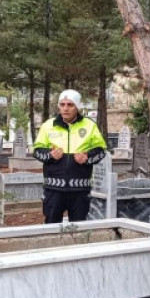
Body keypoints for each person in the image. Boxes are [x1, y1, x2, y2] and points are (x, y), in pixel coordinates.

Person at [32, 89, 107, 224]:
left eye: (70, 105)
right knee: (51, 227)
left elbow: (101, 151)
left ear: (77, 107)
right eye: (62, 104)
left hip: (80, 191)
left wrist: (87, 158)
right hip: (53, 190)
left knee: (79, 229)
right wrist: (50, 155)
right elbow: (37, 151)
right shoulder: (48, 125)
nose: (65, 108)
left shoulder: (89, 126)